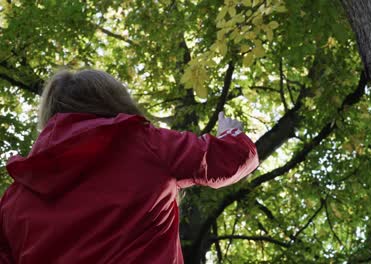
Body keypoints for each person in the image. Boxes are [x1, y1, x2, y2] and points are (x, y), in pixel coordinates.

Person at [1, 69, 259, 263]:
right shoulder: (144, 144)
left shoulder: (14, 199)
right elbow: (228, 160)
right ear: (112, 101)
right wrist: (232, 133)